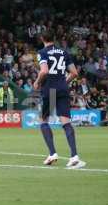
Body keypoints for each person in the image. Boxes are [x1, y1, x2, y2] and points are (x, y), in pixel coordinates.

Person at [33, 30, 85, 169]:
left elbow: (44, 71)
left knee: (43, 121)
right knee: (66, 123)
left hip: (49, 89)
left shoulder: (42, 52)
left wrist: (37, 82)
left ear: (42, 38)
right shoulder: (64, 52)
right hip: (62, 89)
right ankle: (74, 156)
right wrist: (64, 83)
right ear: (54, 38)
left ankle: (52, 153)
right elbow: (74, 73)